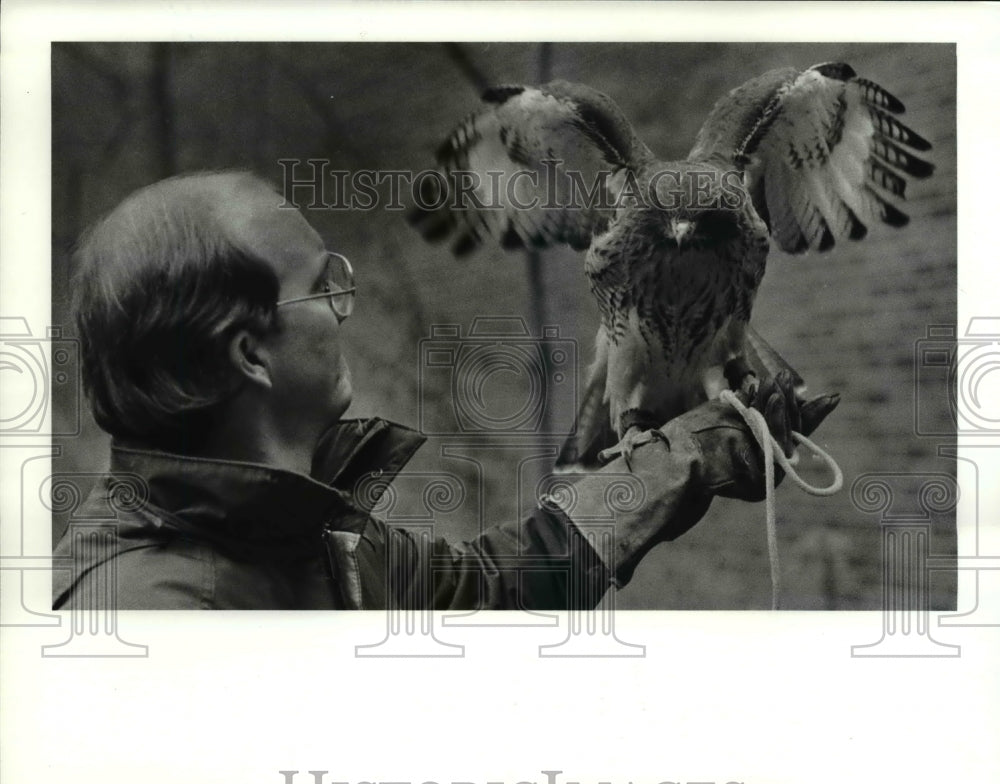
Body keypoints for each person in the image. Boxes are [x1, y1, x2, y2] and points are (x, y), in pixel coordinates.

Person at [52, 171, 838, 610]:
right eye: (321, 287)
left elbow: (495, 581)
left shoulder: (300, 530)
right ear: (251, 353)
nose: (342, 309)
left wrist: (680, 461)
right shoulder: (147, 613)